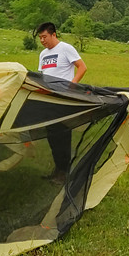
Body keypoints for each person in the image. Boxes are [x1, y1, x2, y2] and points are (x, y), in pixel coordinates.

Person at [36, 21, 87, 183]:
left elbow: (82, 67)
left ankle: (65, 173)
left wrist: (71, 86)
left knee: (63, 136)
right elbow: (41, 75)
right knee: (52, 135)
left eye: (45, 37)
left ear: (53, 34)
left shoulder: (65, 48)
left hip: (63, 100)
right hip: (48, 100)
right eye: (40, 38)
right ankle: (58, 170)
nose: (42, 40)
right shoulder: (43, 54)